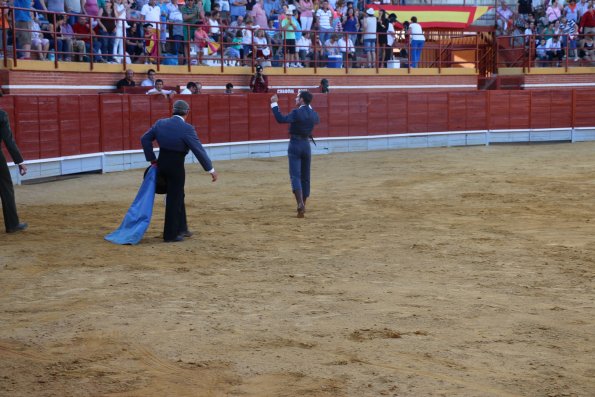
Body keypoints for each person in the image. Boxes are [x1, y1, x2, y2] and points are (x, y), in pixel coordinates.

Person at [140, 100, 217, 242]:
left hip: (161, 163)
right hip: (176, 167)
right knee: (174, 198)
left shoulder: (160, 123)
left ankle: (182, 228)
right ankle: (171, 235)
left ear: (173, 110)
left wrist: (151, 159)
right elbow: (198, 150)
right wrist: (210, 169)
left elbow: (145, 139)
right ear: (187, 112)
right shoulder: (187, 128)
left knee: (178, 195)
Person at [270, 91, 319, 218]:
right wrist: (309, 106)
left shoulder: (297, 112)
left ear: (302, 99)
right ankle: (304, 204)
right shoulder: (313, 114)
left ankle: (300, 204)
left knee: (295, 175)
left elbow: (281, 119)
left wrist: (274, 103)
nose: (295, 99)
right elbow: (315, 119)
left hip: (295, 144)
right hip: (306, 145)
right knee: (306, 176)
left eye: (297, 97)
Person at [0, 109, 28, 233]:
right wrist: (19, 161)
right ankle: (12, 224)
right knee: (5, 188)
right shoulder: (1, 115)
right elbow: (8, 140)